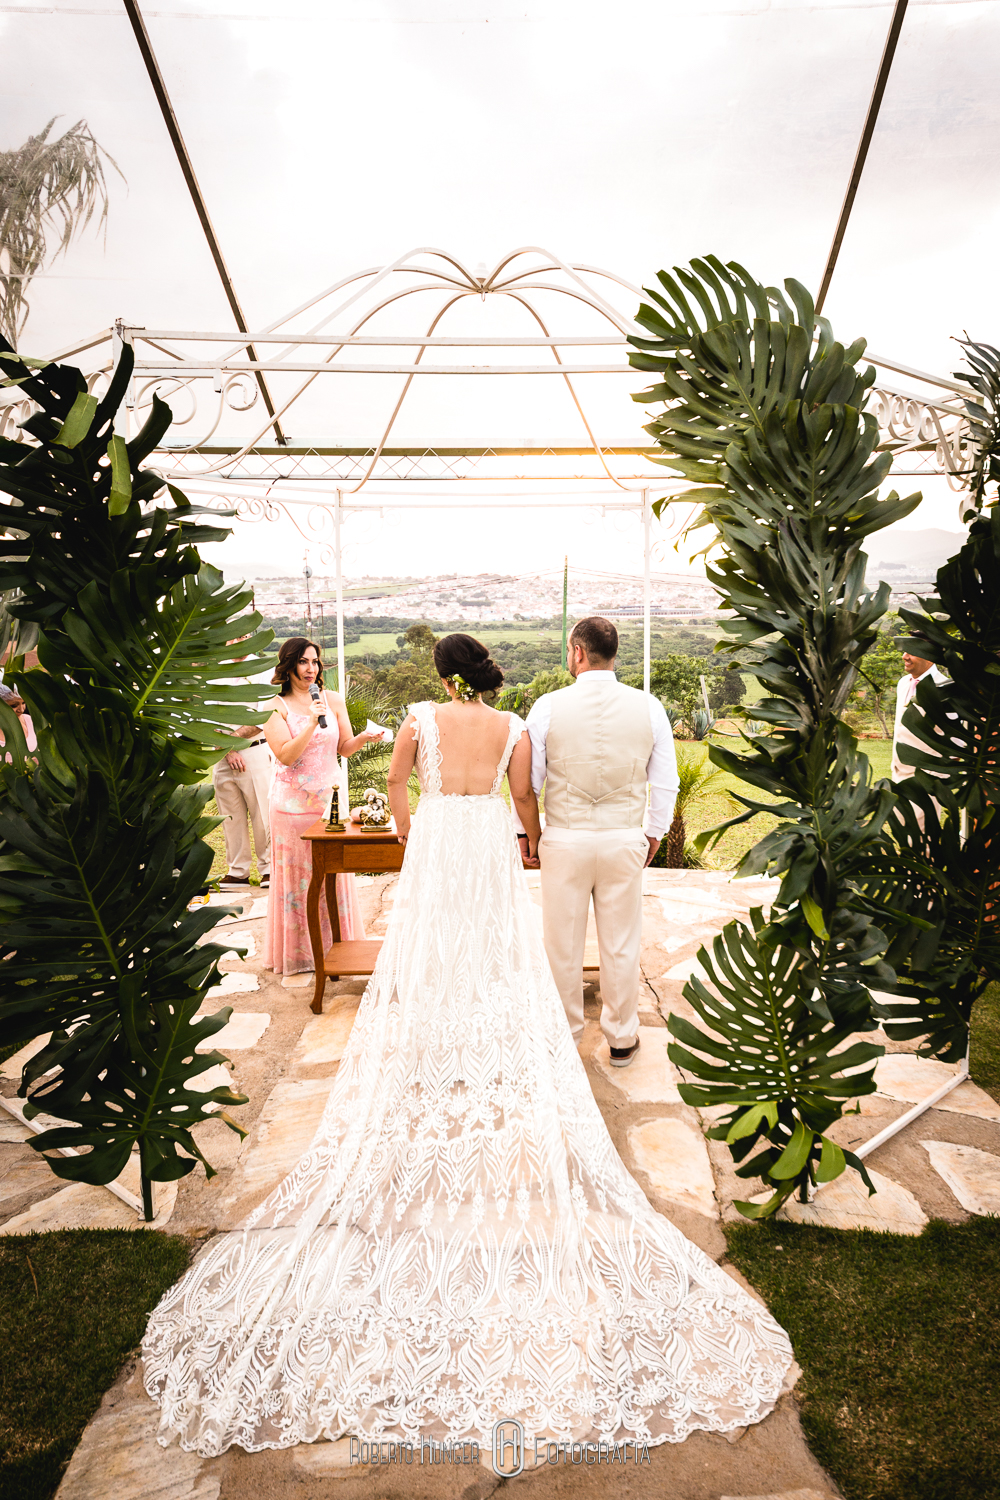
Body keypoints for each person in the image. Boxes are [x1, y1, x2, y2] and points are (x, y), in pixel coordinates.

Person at [143, 631, 791, 1457]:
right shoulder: (516, 723)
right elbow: (526, 799)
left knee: (436, 942)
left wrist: (413, 836)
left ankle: (437, 1045)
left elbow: (394, 781)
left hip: (442, 839)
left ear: (443, 676)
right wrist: (521, 835)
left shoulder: (418, 715)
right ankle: (487, 1038)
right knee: (490, 943)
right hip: (485, 837)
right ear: (484, 676)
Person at [514, 616, 679, 1067]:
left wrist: (526, 836)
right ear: (615, 654)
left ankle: (563, 1036)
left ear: (578, 652)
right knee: (622, 942)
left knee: (561, 943)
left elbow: (527, 783)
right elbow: (665, 783)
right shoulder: (650, 707)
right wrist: (652, 833)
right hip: (624, 837)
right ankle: (622, 1038)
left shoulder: (548, 706)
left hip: (564, 839)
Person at [263, 638, 384, 975]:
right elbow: (285, 755)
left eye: (315, 662)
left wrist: (364, 738)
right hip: (290, 808)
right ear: (288, 667)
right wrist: (313, 723)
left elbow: (343, 748)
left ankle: (336, 946)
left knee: (331, 874)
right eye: (303, 662)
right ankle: (300, 955)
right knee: (298, 880)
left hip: (328, 803)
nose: (311, 669)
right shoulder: (275, 707)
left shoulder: (332, 700)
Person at [213, 721, 273, 892]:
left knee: (262, 813)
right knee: (229, 817)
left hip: (254, 750)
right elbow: (205, 721)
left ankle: (269, 868)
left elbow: (263, 719)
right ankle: (238, 872)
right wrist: (227, 751)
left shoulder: (263, 692)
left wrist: (229, 743)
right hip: (222, 755)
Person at [890, 640, 948, 782]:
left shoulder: (945, 688)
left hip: (928, 776)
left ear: (930, 656)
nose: (904, 656)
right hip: (899, 771)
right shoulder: (903, 683)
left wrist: (936, 774)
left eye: (912, 652)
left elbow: (955, 739)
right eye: (905, 651)